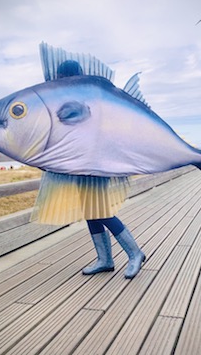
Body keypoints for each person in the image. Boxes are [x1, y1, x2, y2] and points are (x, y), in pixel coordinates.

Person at [33, 59, 146, 279]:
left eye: (62, 78)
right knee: (90, 211)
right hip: (82, 165)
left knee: (100, 210)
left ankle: (135, 253)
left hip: (95, 164)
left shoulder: (88, 99)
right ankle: (105, 259)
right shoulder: (68, 100)